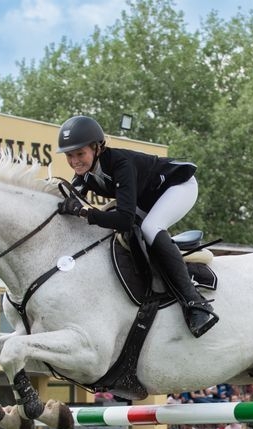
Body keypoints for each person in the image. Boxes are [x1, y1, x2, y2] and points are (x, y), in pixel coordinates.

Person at [55, 115, 218, 338]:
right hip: (147, 199)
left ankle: (196, 303)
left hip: (178, 187)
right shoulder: (84, 175)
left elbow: (123, 219)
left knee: (150, 228)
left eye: (80, 154)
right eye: (69, 156)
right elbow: (66, 201)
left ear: (97, 147)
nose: (75, 161)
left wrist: (84, 212)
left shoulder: (120, 163)